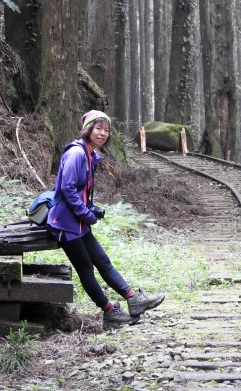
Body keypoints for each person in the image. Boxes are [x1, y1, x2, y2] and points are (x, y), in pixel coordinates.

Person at [47, 110, 165, 329]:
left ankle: (133, 299)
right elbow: (67, 188)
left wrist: (92, 208)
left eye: (106, 130)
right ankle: (110, 312)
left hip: (78, 222)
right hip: (65, 223)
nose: (102, 133)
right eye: (98, 128)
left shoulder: (90, 155)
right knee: (86, 269)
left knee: (102, 260)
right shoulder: (77, 153)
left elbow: (81, 192)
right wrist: (85, 213)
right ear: (88, 129)